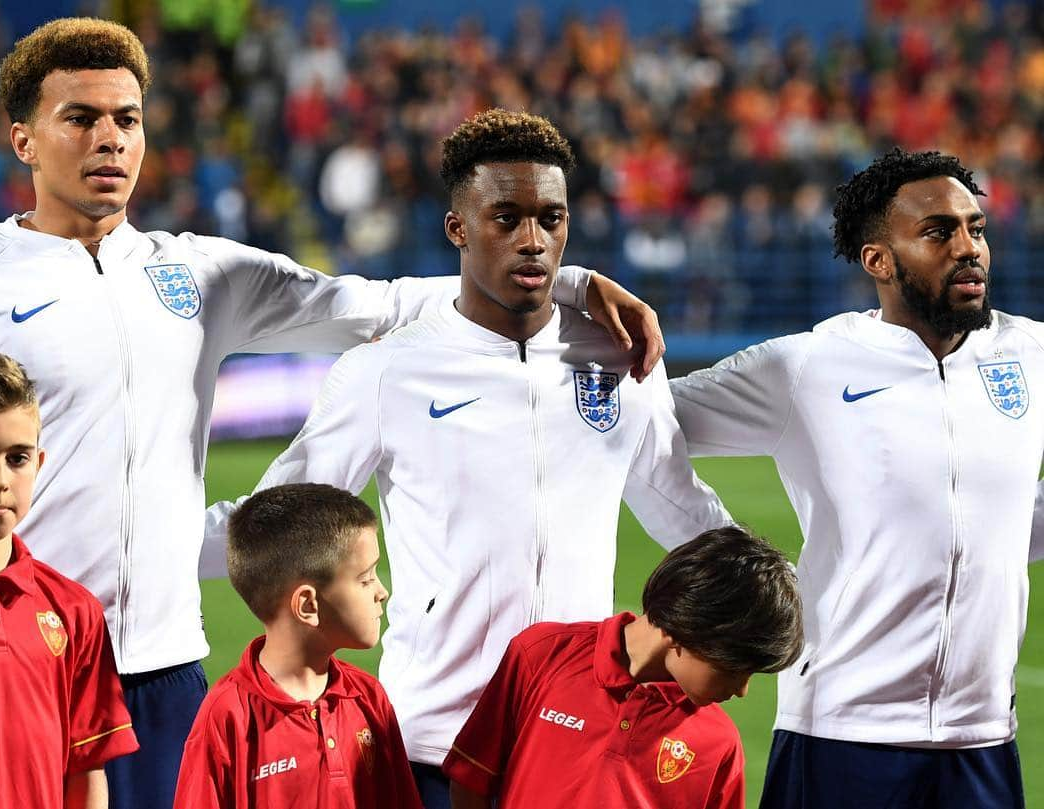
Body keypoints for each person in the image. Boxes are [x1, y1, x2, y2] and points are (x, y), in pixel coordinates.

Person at [0, 18, 664, 808]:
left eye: (127, 120)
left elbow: (376, 306)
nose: (110, 140)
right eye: (81, 119)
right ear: (23, 140)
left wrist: (568, 284)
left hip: (165, 664)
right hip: (20, 656)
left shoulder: (197, 272)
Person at [205, 108, 731, 809]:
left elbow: (683, 509)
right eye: (506, 218)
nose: (533, 241)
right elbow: (274, 523)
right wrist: (131, 550)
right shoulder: (389, 372)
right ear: (458, 228)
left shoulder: (617, 357)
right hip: (435, 741)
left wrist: (783, 591)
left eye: (551, 219)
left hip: (574, 741)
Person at [671, 148, 1041, 808]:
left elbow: (1000, 514)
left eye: (975, 228)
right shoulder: (806, 367)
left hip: (982, 737)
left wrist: (1008, 532)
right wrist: (712, 536)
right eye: (938, 231)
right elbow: (642, 418)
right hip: (840, 734)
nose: (968, 247)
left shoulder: (1029, 355)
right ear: (878, 260)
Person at [443, 525, 804, 809]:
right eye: (736, 667)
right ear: (688, 628)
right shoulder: (541, 655)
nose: (742, 690)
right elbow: (471, 776)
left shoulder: (719, 743)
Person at [173, 483, 421, 808]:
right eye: (365, 578)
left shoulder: (368, 697)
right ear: (308, 605)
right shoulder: (227, 716)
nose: (381, 591)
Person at [0, 350, 138, 808]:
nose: (0, 480)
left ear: (39, 464)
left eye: (16, 458)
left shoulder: (74, 609)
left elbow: (86, 767)